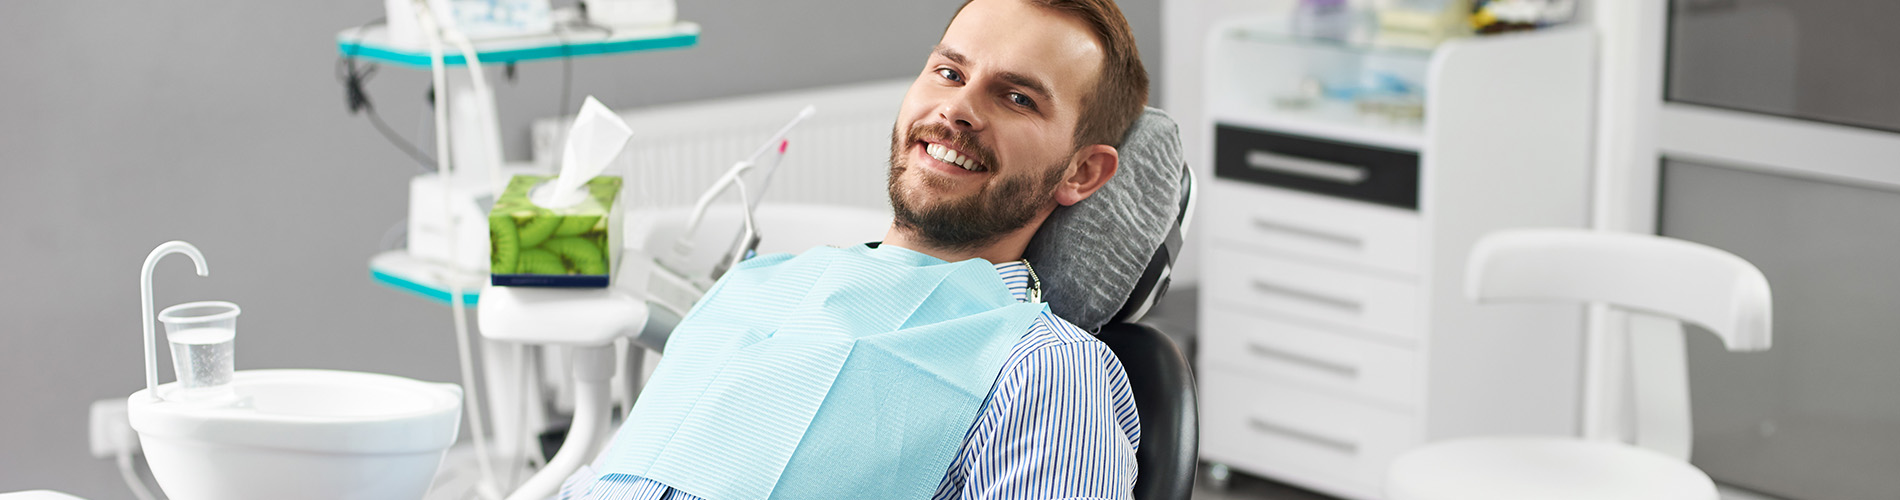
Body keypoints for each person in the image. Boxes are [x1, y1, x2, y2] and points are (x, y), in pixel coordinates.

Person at [559, 0, 1151, 498]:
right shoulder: (756, 285)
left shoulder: (1045, 375)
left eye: (1017, 98)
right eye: (949, 73)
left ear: (1081, 172)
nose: (957, 109)